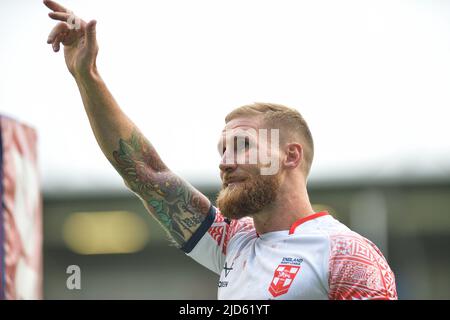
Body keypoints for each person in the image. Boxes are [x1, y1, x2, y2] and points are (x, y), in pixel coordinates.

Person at [44, 0, 398, 300]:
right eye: (222, 150)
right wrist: (87, 75)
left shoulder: (348, 255)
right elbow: (145, 173)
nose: (225, 163)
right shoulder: (234, 240)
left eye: (243, 146)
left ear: (290, 156)